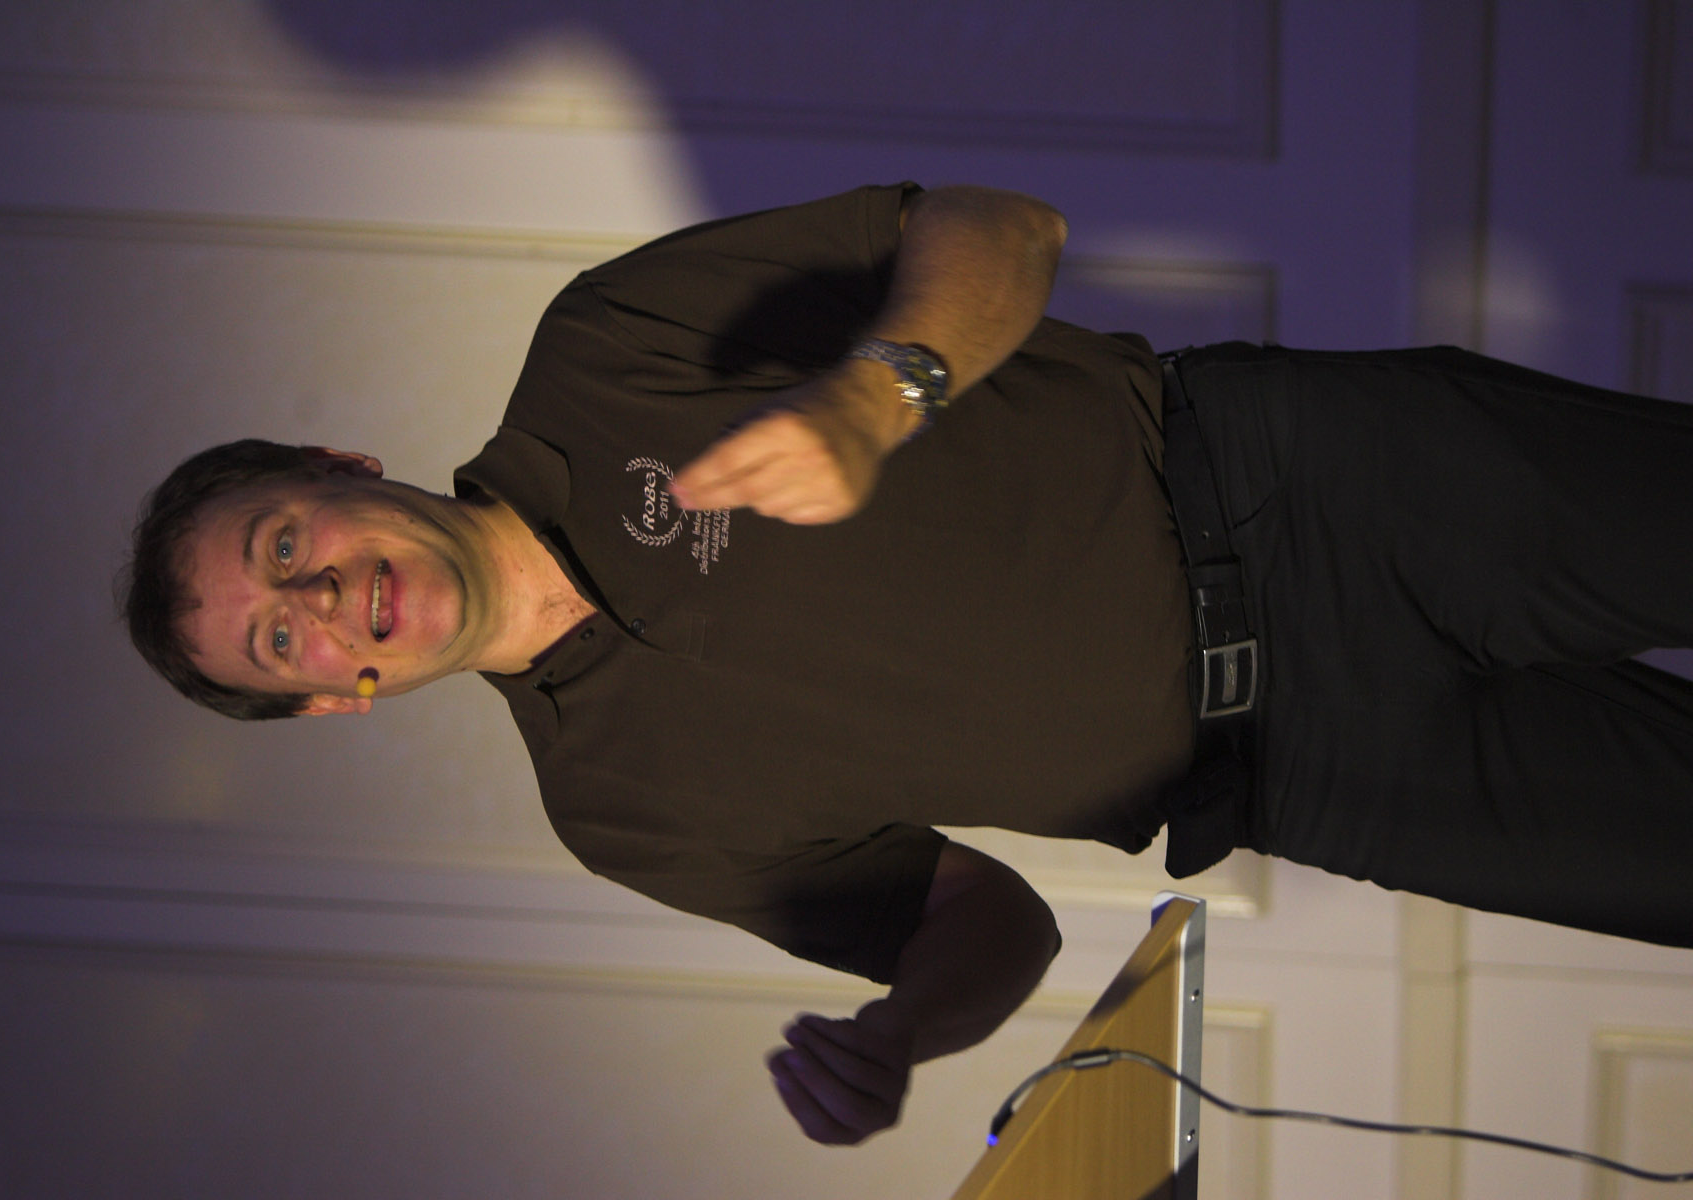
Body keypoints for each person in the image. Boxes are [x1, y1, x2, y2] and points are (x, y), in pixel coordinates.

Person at [123, 183, 1693, 1146]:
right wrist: (901, 1035)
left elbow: (1002, 227)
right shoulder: (619, 811)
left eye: (284, 542)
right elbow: (980, 920)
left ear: (338, 467)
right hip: (1318, 770)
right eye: (281, 637)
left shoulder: (603, 348)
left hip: (1327, 488)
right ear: (328, 700)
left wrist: (878, 397)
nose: (318, 597)